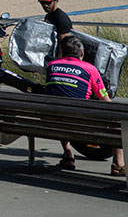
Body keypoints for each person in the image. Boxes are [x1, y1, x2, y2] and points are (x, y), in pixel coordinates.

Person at [45, 35, 126, 174]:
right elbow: (104, 98)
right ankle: (118, 163)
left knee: (61, 108)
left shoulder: (51, 66)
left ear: (62, 52)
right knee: (117, 118)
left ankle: (68, 154)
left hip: (52, 121)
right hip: (81, 122)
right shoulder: (90, 69)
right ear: (82, 53)